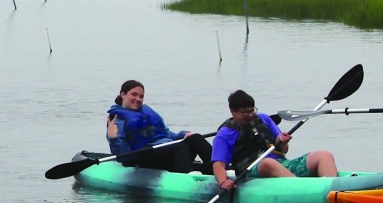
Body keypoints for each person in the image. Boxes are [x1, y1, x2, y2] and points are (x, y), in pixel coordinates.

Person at [211, 89, 339, 193]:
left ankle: (333, 192)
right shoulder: (224, 134)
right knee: (268, 163)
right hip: (251, 173)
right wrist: (223, 182)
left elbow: (284, 150)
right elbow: (218, 165)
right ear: (233, 111)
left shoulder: (264, 119)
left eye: (252, 110)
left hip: (281, 165)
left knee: (323, 155)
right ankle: (303, 190)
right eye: (245, 112)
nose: (250, 115)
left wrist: (282, 142)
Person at [106, 79, 213, 173]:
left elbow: (166, 134)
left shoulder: (146, 111)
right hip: (143, 158)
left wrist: (183, 134)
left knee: (196, 138)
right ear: (123, 94)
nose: (138, 99)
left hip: (166, 152)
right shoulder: (117, 119)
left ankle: (216, 169)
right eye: (134, 94)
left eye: (141, 96)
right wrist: (113, 138)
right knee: (180, 147)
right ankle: (186, 176)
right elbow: (122, 156)